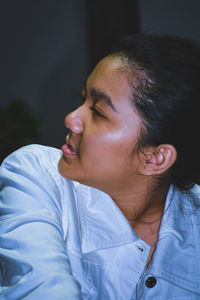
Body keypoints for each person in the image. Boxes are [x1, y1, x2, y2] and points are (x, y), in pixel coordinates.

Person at [0, 34, 200, 299]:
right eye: (83, 100)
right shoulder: (36, 174)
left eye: (97, 112)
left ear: (155, 158)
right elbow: (41, 287)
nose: (71, 119)